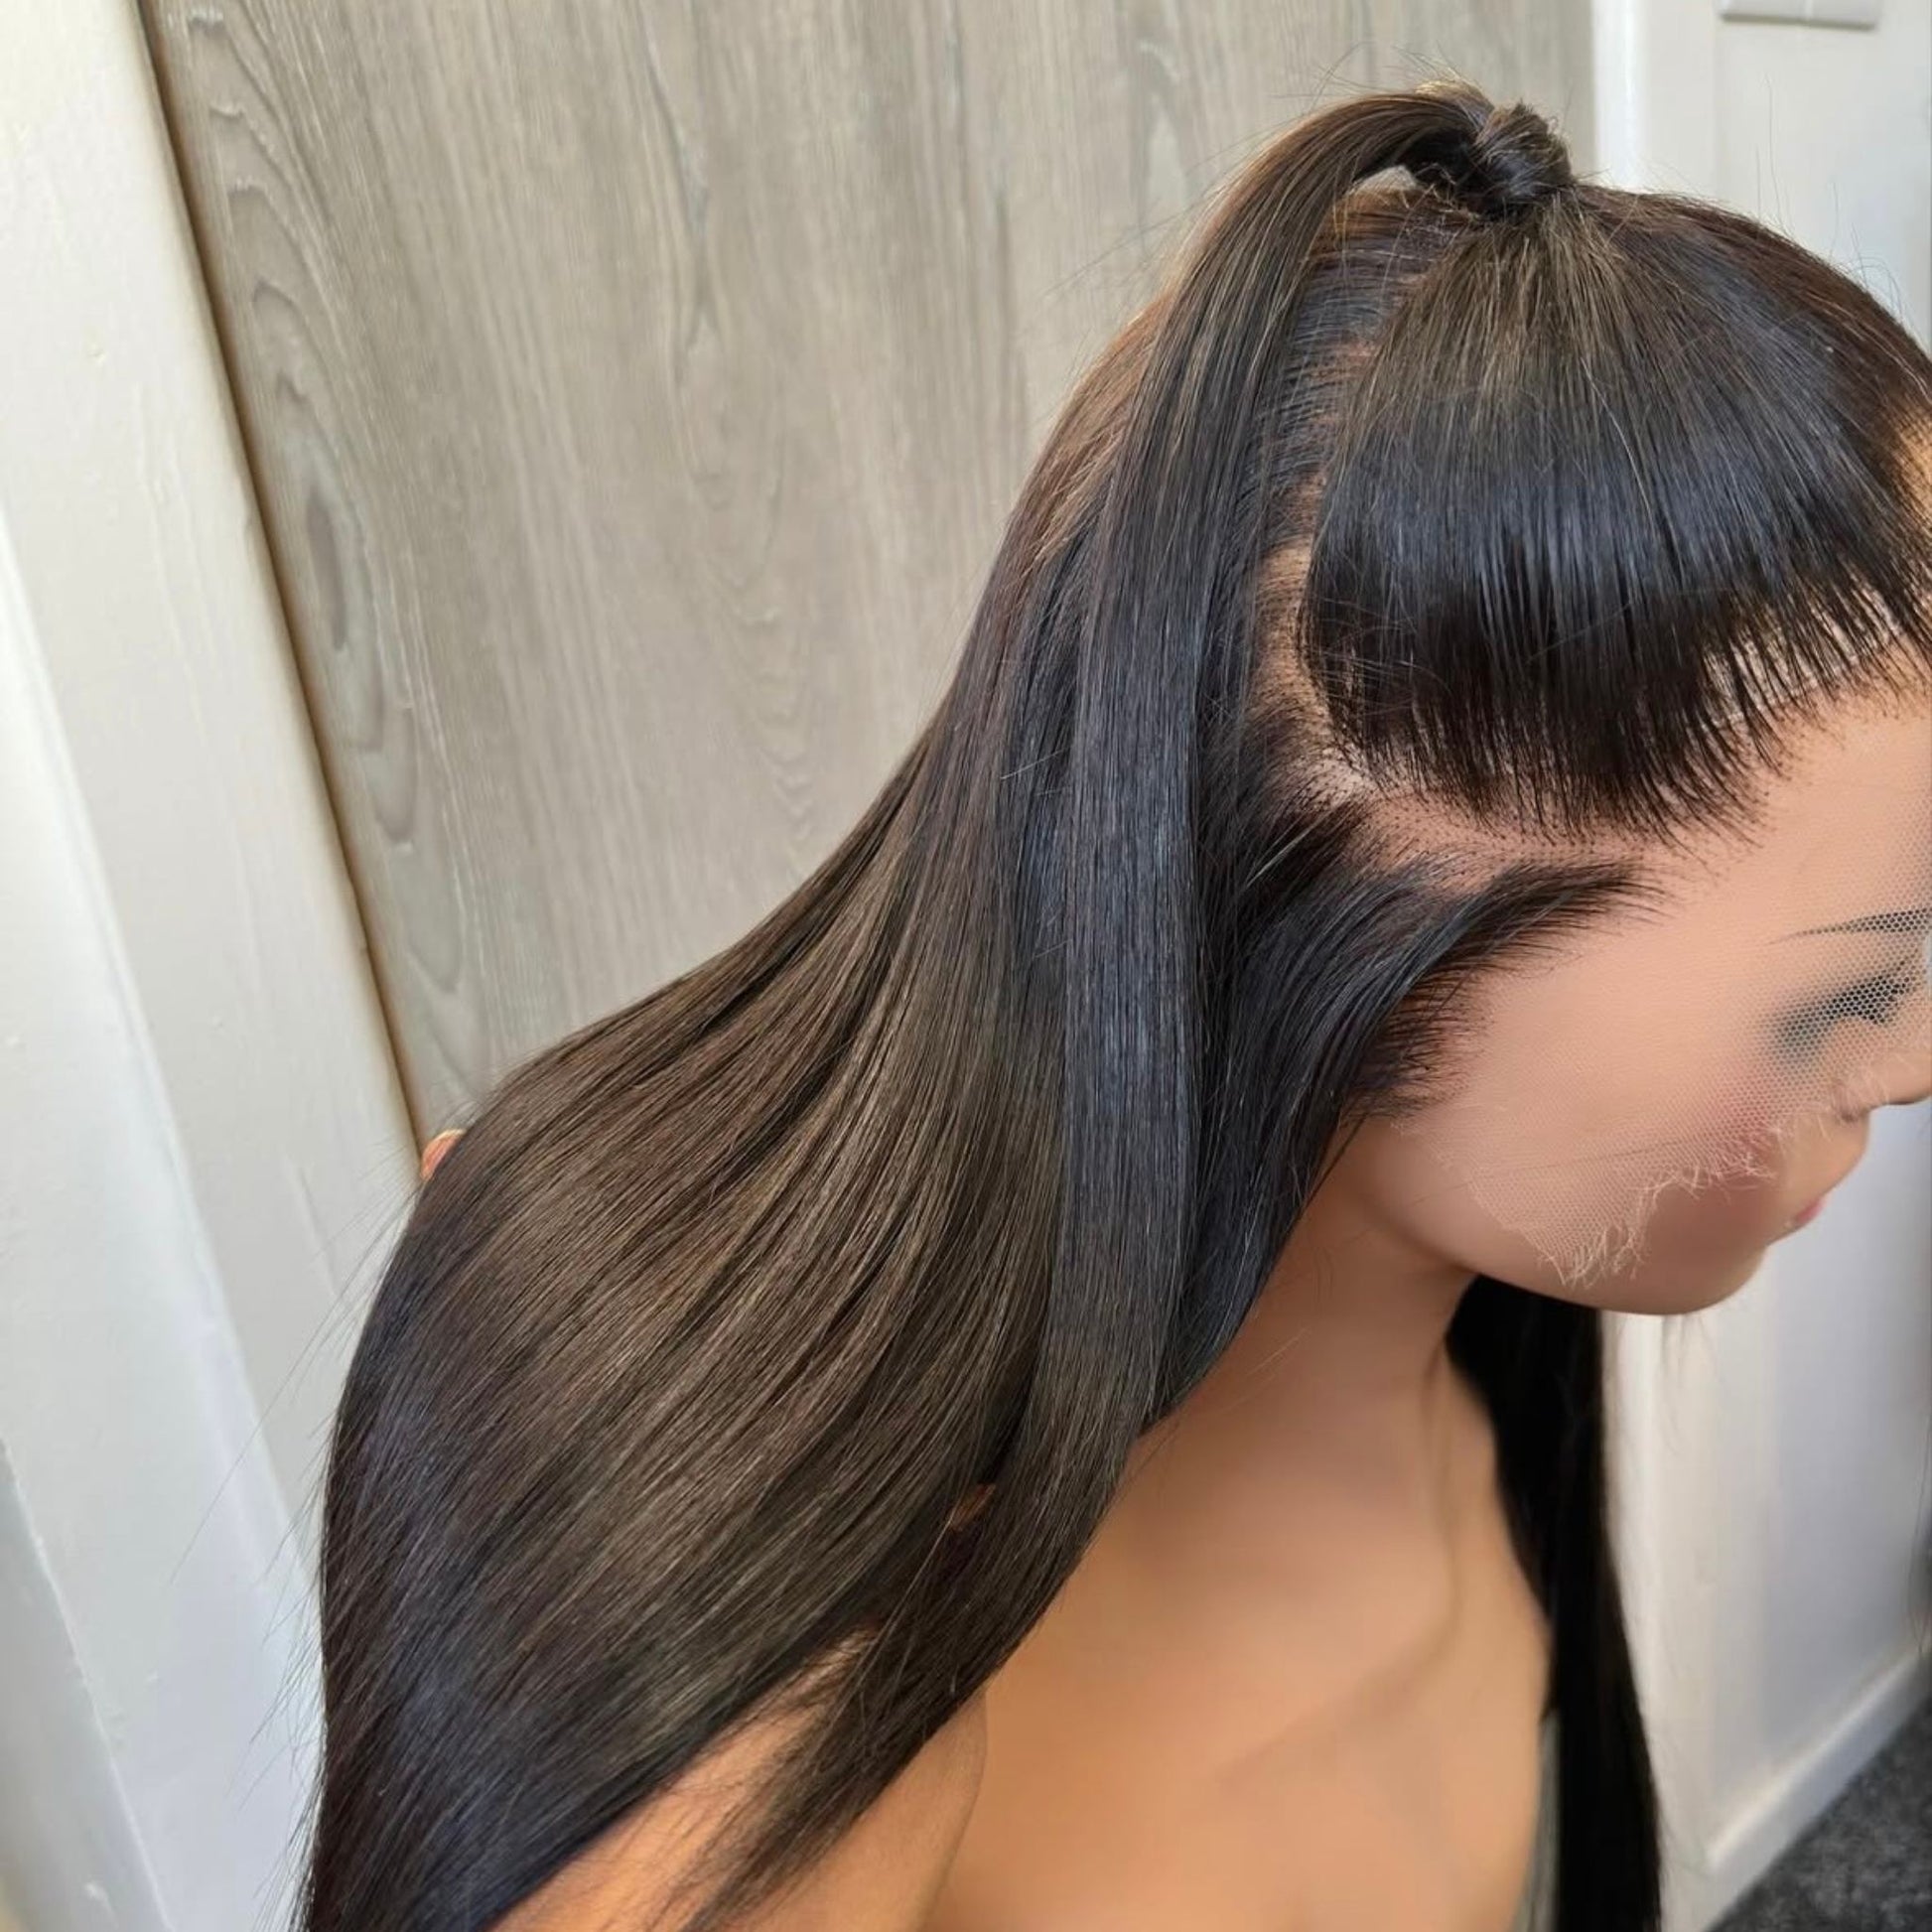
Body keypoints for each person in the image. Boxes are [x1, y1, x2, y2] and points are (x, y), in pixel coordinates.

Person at [297, 76, 1932, 1932]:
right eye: (1860, 980)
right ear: (1359, 883)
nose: (1913, 1062)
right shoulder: (773, 1657)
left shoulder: (1475, 1346)